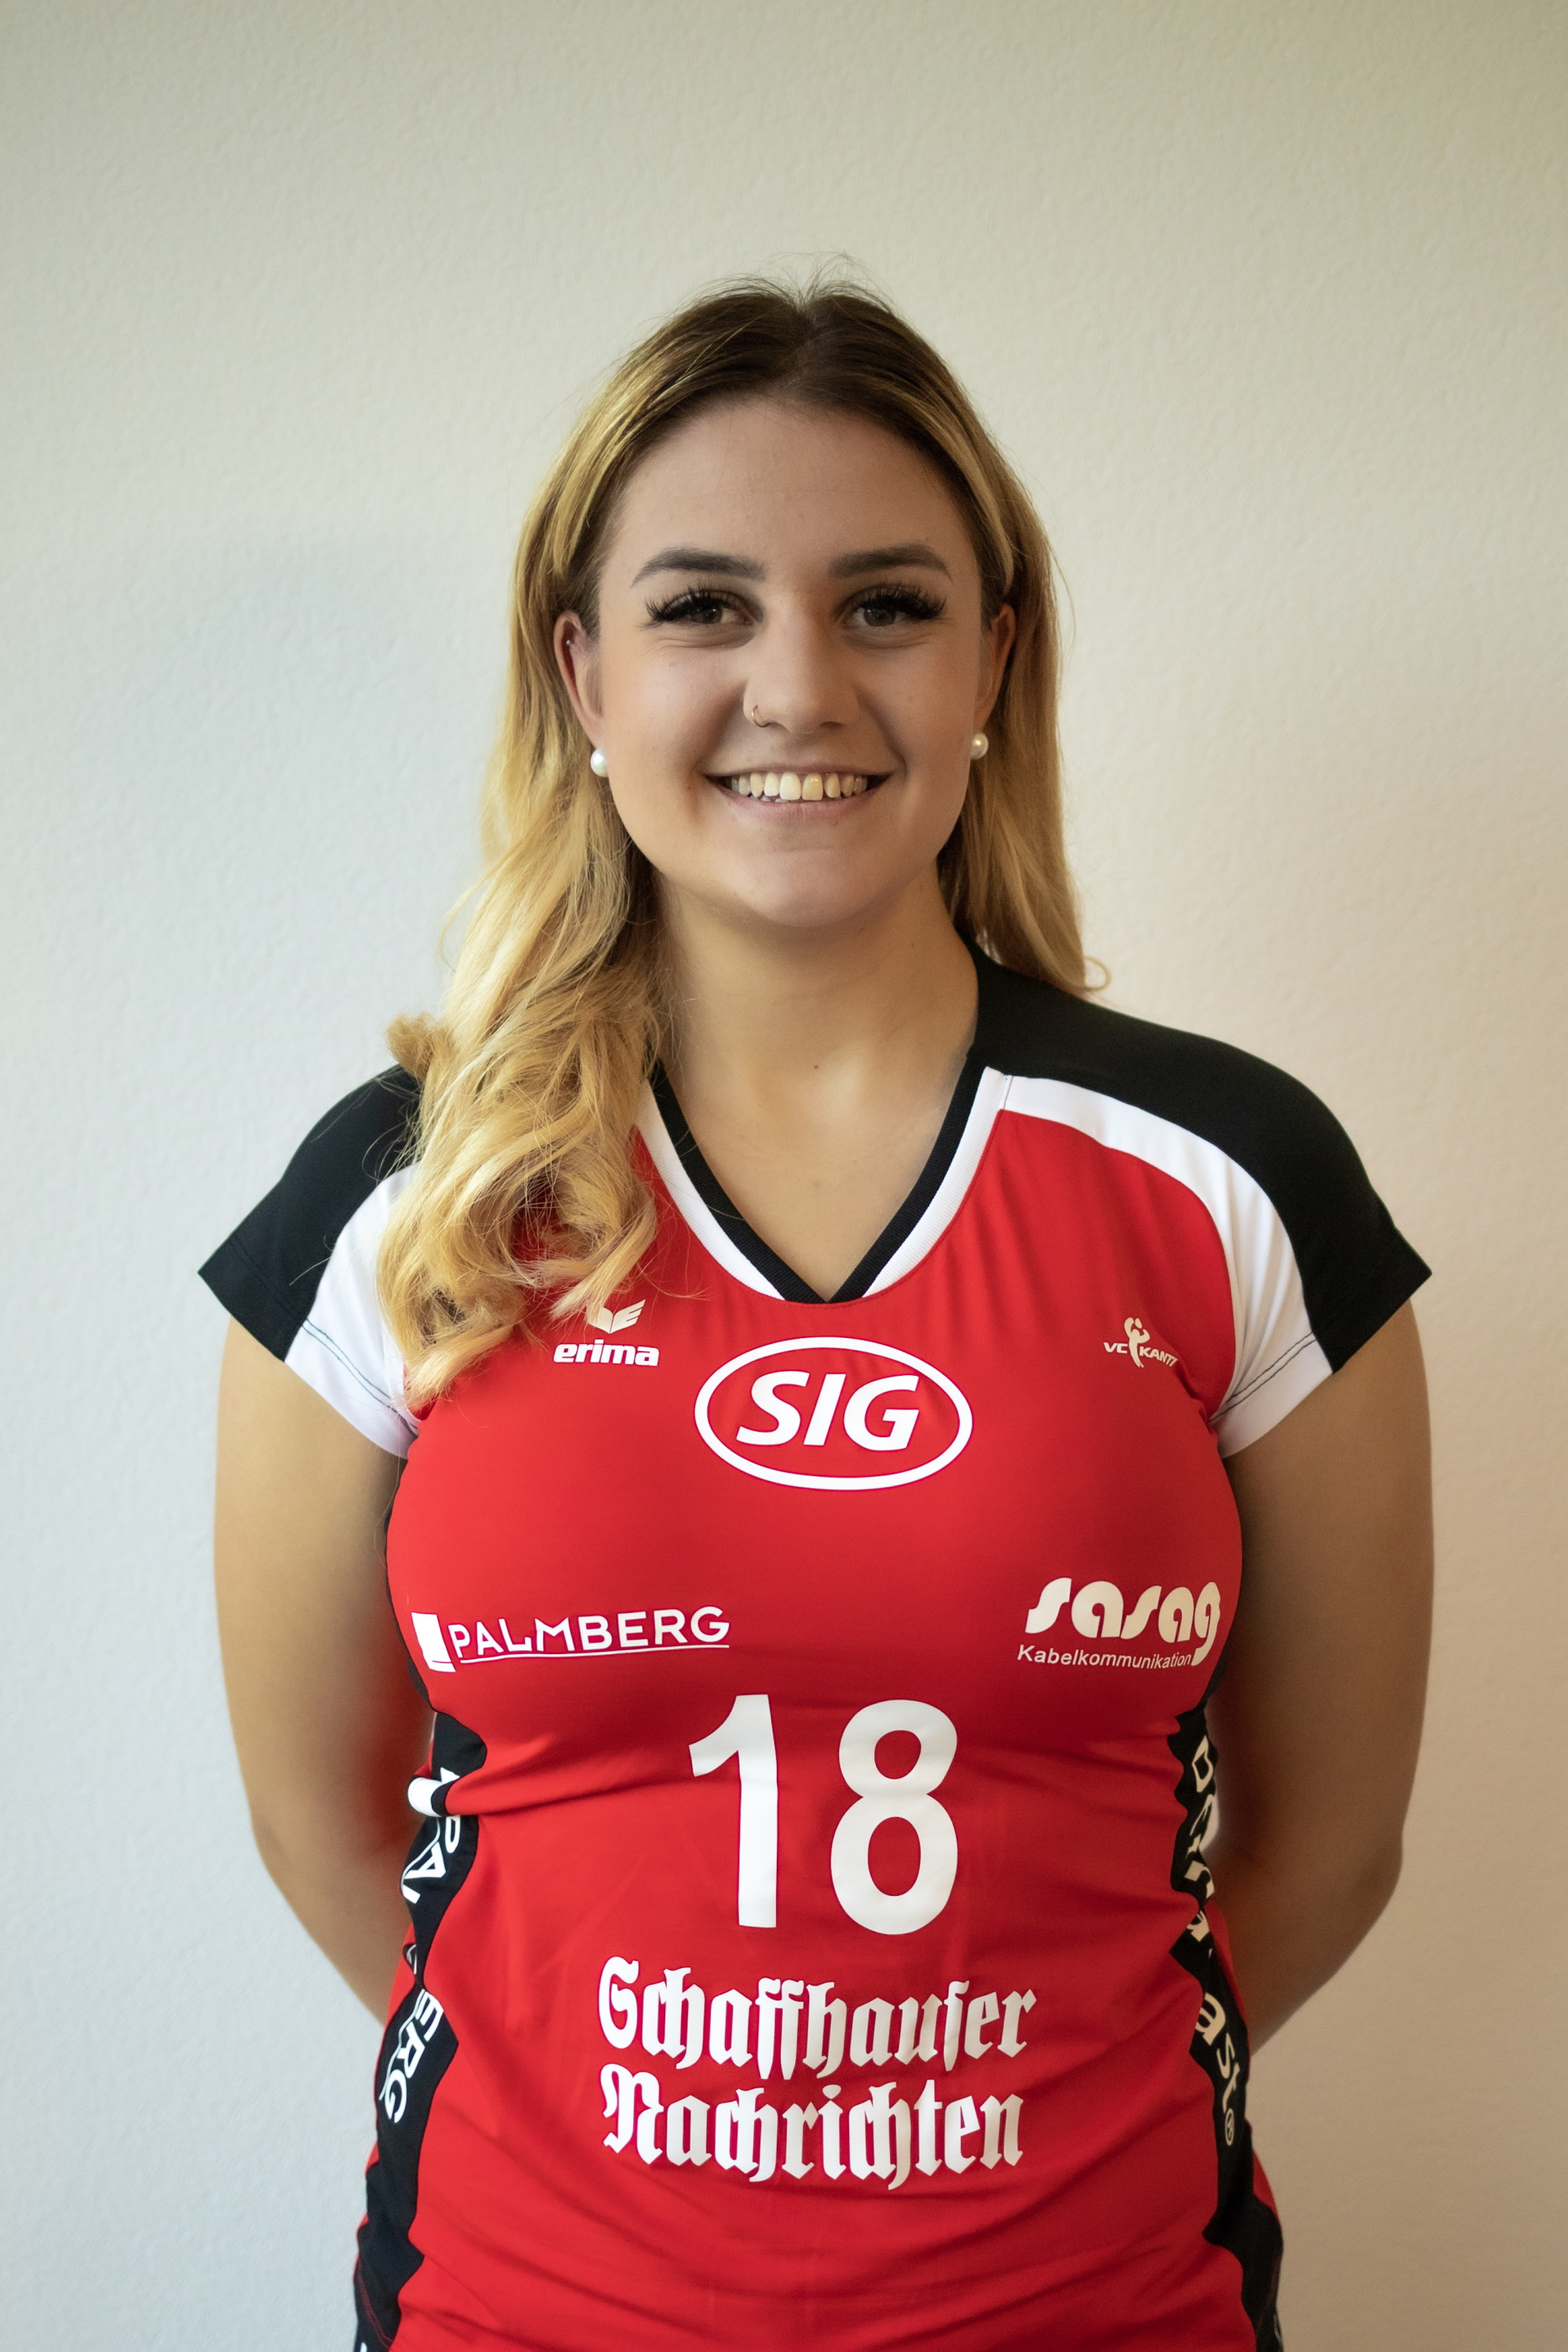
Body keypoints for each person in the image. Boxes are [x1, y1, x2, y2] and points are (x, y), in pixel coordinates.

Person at [203, 279, 1432, 2352]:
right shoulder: (404, 1196)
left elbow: (1329, 1842)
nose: (797, 685)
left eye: (884, 605)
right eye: (701, 607)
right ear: (583, 671)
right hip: (519, 2310)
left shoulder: (1234, 1180)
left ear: (991, 660)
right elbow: (320, 1817)